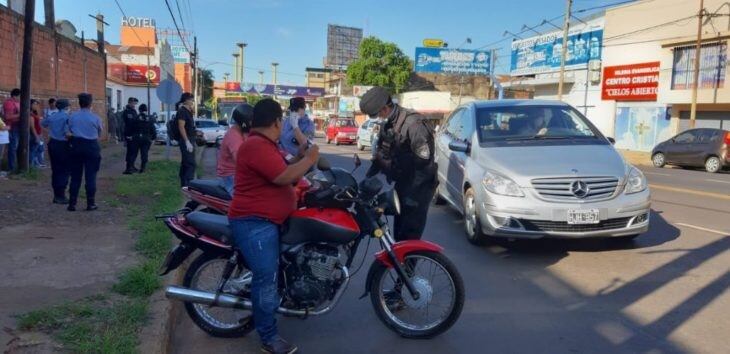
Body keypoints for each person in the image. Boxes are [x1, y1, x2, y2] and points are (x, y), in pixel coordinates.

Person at [228, 98, 319, 354]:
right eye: (281, 122)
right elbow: (284, 177)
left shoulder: (267, 145)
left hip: (268, 221)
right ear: (277, 122)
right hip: (254, 223)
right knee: (266, 278)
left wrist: (300, 156)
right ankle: (268, 338)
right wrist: (310, 157)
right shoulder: (256, 146)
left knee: (281, 269)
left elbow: (283, 168)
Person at [360, 86, 437, 242]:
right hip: (402, 185)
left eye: (375, 115)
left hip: (418, 190)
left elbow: (424, 164)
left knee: (409, 238)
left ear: (385, 108)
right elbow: (382, 154)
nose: (374, 118)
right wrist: (367, 181)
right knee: (398, 236)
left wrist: (411, 199)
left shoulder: (414, 125)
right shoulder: (387, 125)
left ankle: (408, 266)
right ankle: (399, 264)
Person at [67, 93, 103, 212]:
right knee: (91, 176)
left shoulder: (72, 116)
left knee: (75, 177)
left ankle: (72, 203)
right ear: (90, 103)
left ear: (79, 103)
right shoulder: (96, 118)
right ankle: (90, 203)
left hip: (76, 145)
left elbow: (69, 131)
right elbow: (99, 133)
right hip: (91, 146)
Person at [216, 103, 253, 195]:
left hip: (240, 175)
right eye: (251, 121)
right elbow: (240, 159)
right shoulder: (234, 135)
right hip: (229, 176)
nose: (253, 123)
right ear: (244, 121)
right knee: (246, 201)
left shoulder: (245, 132)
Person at [42, 99, 71, 204]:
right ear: (66, 107)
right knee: (64, 170)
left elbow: (43, 123)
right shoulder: (67, 117)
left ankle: (56, 195)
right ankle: (61, 195)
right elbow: (66, 133)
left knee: (55, 170)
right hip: (63, 144)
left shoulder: (52, 116)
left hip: (52, 143)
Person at [176, 92, 196, 187]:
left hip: (190, 138)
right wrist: (187, 141)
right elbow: (181, 127)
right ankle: (188, 184)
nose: (192, 101)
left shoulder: (188, 111)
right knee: (190, 163)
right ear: (186, 100)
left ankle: (184, 184)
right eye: (191, 99)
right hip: (186, 140)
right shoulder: (182, 111)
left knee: (185, 162)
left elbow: (189, 127)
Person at [134, 104, 156, 173]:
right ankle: (143, 168)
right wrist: (153, 138)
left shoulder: (136, 117)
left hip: (137, 138)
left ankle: (131, 167)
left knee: (134, 153)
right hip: (147, 138)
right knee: (144, 153)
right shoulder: (150, 118)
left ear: (140, 110)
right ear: (146, 110)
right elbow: (153, 129)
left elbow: (132, 128)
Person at [2, 88, 21, 172]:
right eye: (20, 96)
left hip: (18, 127)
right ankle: (11, 168)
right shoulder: (9, 103)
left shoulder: (18, 103)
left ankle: (16, 166)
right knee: (13, 148)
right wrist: (21, 114)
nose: (20, 98)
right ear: (15, 96)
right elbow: (7, 117)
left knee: (17, 147)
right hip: (12, 127)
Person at [122, 97, 140, 174]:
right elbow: (126, 124)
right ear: (129, 103)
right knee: (130, 151)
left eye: (135, 103)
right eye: (133, 103)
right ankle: (128, 168)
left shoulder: (134, 111)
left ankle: (132, 166)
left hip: (134, 134)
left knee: (134, 151)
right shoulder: (127, 112)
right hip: (129, 134)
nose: (134, 105)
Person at [29, 99, 43, 167]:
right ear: (30, 105)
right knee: (33, 150)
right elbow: (32, 127)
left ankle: (36, 164)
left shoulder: (34, 113)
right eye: (34, 104)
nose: (36, 105)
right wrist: (36, 136)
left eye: (36, 104)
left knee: (38, 149)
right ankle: (31, 165)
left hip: (38, 133)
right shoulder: (30, 115)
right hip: (34, 135)